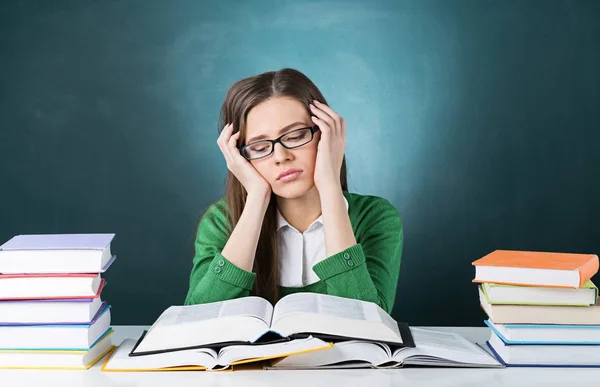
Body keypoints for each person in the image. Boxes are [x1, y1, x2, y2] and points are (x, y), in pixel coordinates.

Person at [184, 68, 403, 314]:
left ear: (327, 134)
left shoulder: (375, 216)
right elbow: (198, 318)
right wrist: (256, 197)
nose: (281, 156)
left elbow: (369, 319)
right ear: (240, 156)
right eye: (259, 147)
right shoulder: (220, 221)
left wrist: (330, 187)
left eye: (296, 136)